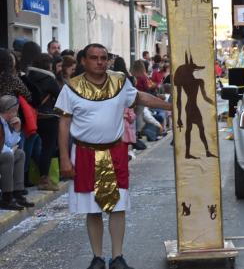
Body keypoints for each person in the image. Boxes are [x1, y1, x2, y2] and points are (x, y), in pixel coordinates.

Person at [55, 43, 171, 269]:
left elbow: (141, 98)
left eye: (103, 58)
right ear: (84, 61)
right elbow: (64, 123)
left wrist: (171, 106)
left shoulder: (119, 82)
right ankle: (97, 258)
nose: (99, 61)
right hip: (84, 153)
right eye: (94, 57)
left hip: (114, 152)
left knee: (118, 207)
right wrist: (64, 158)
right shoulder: (71, 88)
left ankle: (117, 257)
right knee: (92, 208)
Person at [28, 53, 61, 191]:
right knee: (48, 148)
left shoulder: (28, 78)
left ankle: (30, 177)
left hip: (31, 117)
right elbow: (60, 97)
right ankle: (44, 178)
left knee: (33, 147)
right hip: (48, 118)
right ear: (49, 65)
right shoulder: (50, 80)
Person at [0, 95, 34, 210]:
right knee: (8, 155)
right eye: (16, 111)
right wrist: (10, 150)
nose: (16, 114)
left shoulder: (4, 122)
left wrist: (17, 129)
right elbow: (6, 148)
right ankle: (6, 198)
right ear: (10, 110)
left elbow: (10, 142)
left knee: (19, 153)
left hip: (4, 152)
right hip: (3, 154)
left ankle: (17, 193)